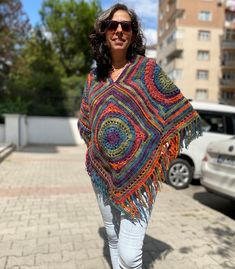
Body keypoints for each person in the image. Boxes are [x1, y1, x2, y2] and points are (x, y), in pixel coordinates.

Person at [77, 3, 202, 269]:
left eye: (126, 26)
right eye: (113, 25)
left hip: (139, 173)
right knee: (112, 235)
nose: (119, 30)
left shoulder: (148, 71)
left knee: (130, 254)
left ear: (133, 34)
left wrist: (155, 150)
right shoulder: (94, 78)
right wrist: (99, 148)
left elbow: (178, 110)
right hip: (101, 173)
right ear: (104, 32)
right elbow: (86, 123)